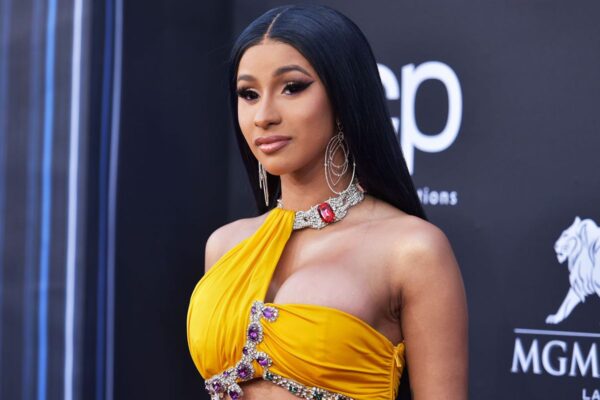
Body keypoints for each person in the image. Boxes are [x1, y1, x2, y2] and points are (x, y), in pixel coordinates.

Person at [187, 4, 468, 400]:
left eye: (292, 87)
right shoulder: (225, 246)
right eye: (248, 94)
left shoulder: (411, 250)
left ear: (343, 95)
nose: (263, 115)